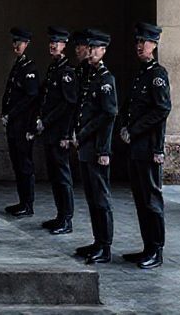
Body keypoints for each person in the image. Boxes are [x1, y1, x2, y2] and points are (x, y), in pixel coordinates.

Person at [118, 22, 171, 269]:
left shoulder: (157, 75)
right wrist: (124, 126)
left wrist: (135, 130)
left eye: (145, 42)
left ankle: (156, 251)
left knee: (151, 200)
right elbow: (130, 107)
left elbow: (162, 109)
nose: (140, 46)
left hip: (148, 147)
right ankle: (147, 246)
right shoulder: (141, 74)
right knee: (140, 199)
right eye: (138, 41)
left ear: (155, 45)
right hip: (136, 147)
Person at [73, 29, 118, 264]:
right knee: (92, 198)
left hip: (96, 148)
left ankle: (105, 246)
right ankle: (97, 241)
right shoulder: (90, 76)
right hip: (86, 146)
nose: (90, 52)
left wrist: (103, 150)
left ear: (103, 50)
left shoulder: (105, 79)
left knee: (101, 199)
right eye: (89, 48)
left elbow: (109, 115)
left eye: (95, 48)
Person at [35, 26, 78, 235]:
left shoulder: (67, 72)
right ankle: (60, 215)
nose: (53, 45)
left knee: (62, 176)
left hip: (59, 132)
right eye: (51, 42)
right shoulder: (53, 69)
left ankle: (67, 219)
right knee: (54, 175)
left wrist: (65, 134)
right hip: (50, 132)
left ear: (64, 45)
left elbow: (69, 104)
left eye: (57, 42)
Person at [1, 27, 39, 217]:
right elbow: (10, 94)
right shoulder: (18, 66)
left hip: (23, 125)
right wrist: (4, 113)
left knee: (24, 165)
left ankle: (28, 204)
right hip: (14, 125)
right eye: (15, 42)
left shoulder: (29, 68)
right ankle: (22, 201)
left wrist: (11, 114)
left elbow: (30, 97)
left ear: (27, 44)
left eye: (20, 43)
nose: (16, 45)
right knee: (17, 164)